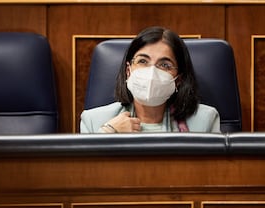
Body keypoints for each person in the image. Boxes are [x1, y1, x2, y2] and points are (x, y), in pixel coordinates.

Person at [80, 26, 220, 133]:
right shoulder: (94, 120)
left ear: (178, 79)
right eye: (142, 61)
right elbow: (85, 170)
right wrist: (108, 132)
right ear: (128, 71)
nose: (152, 72)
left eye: (165, 65)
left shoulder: (204, 121)